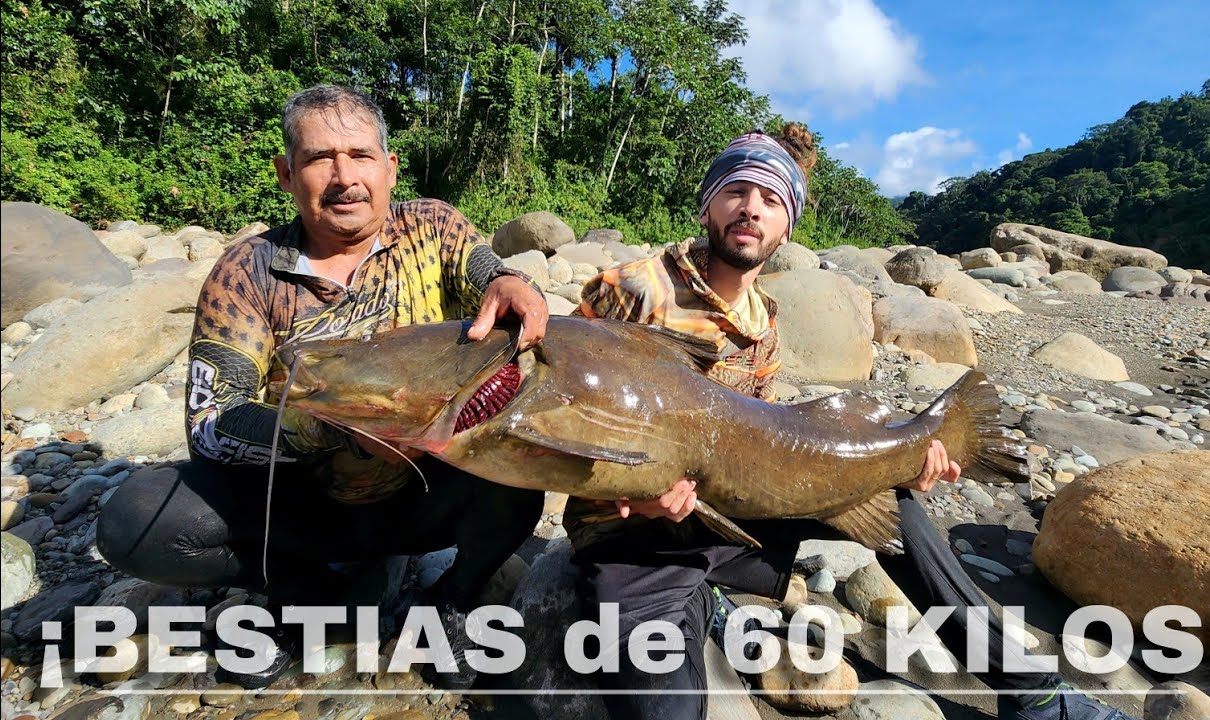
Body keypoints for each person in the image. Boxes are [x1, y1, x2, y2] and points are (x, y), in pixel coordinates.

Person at [566, 125, 1138, 720]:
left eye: (771, 201)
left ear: (786, 227)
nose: (751, 210)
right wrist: (636, 494)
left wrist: (895, 464)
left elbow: (762, 433)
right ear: (708, 201)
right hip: (632, 538)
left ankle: (1035, 695)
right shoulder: (632, 290)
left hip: (725, 517)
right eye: (737, 190)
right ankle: (700, 604)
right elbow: (552, 412)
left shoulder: (764, 321)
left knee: (899, 507)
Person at [96, 84, 547, 690]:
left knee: (523, 468)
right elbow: (209, 424)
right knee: (134, 521)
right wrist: (327, 430)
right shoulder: (247, 271)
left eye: (361, 156)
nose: (344, 178)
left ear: (389, 168)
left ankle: (454, 595)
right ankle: (305, 590)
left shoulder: (432, 226)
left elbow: (482, 270)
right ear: (286, 173)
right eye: (318, 159)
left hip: (426, 492)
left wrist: (514, 280)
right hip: (304, 501)